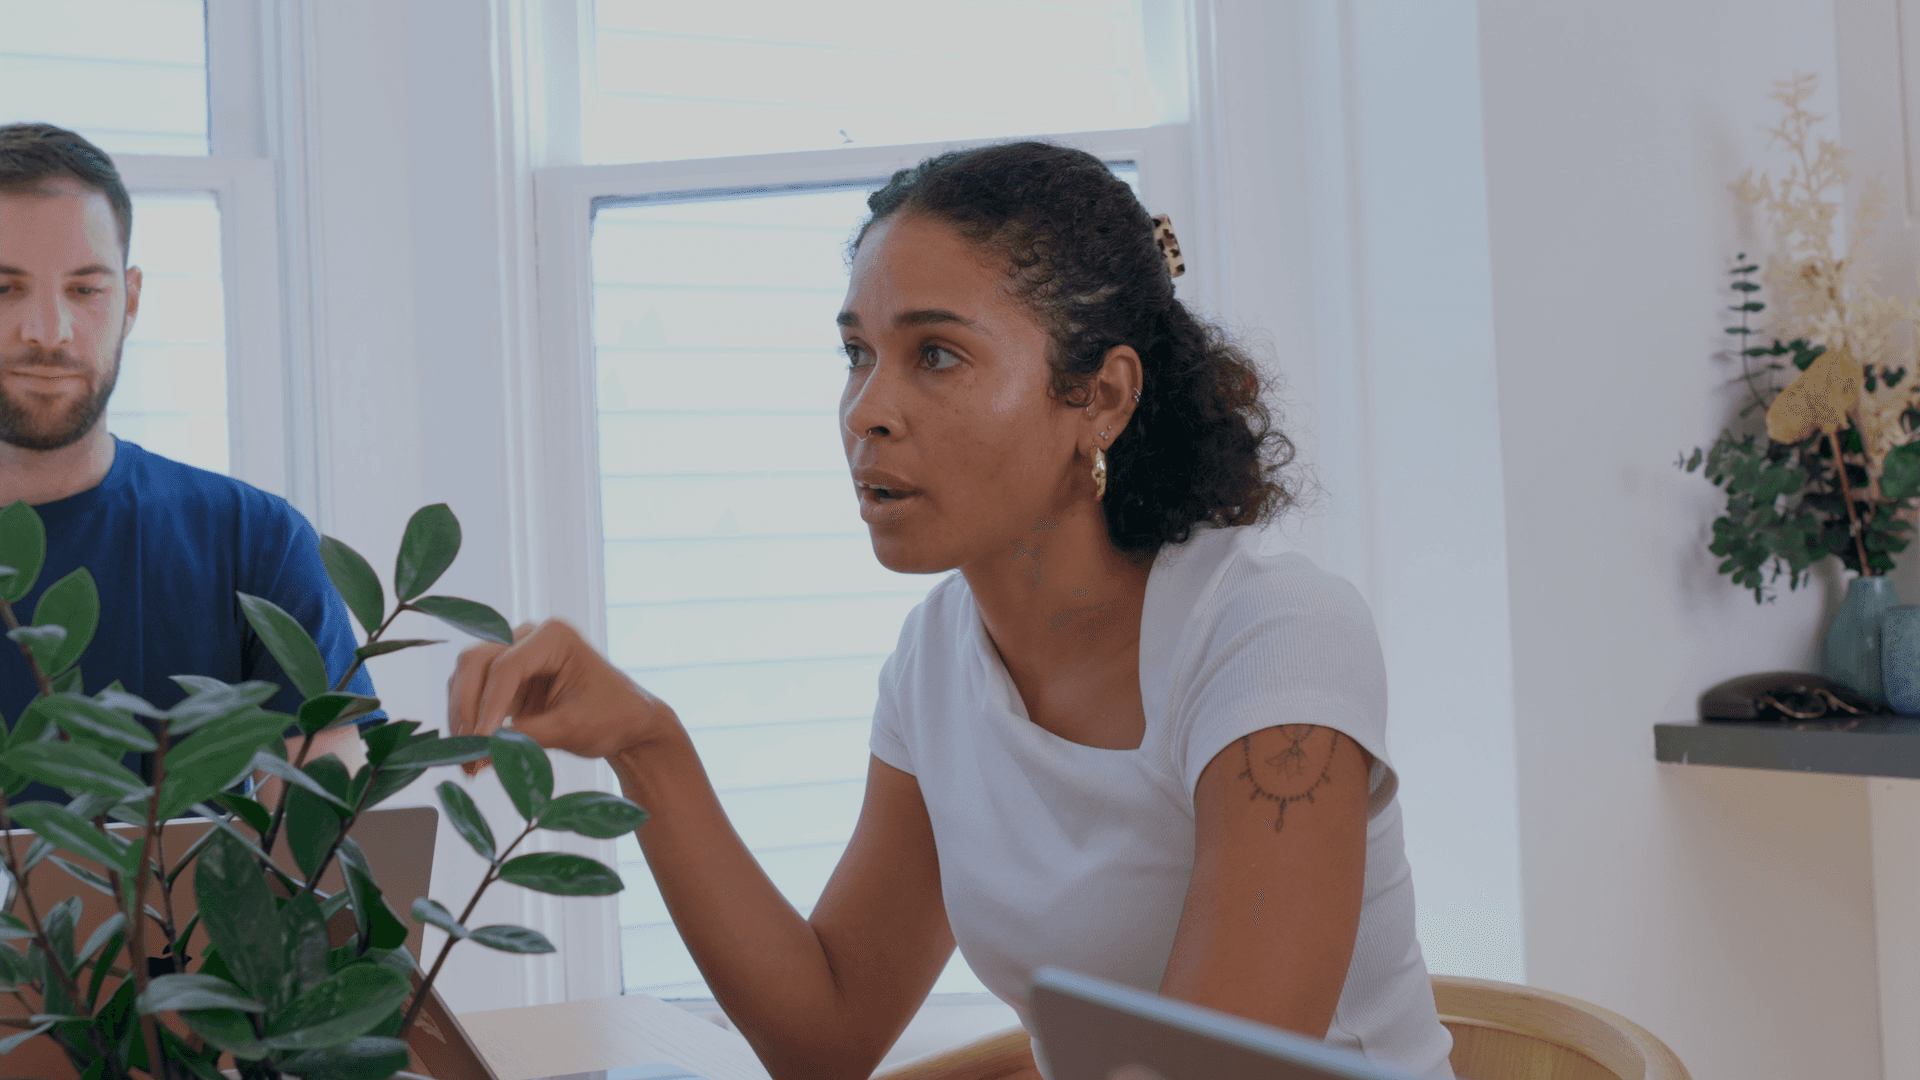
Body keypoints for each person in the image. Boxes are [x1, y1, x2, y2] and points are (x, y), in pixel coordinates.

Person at [448, 142, 1454, 1080]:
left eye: (936, 355)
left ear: (1101, 397)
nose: (868, 410)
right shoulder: (938, 658)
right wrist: (646, 742)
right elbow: (828, 1027)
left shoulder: (1272, 645)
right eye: (857, 354)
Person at [0, 123, 376, 800]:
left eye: (86, 290)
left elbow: (332, 856)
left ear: (131, 300)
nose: (48, 332)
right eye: (4, 289)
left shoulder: (253, 543)